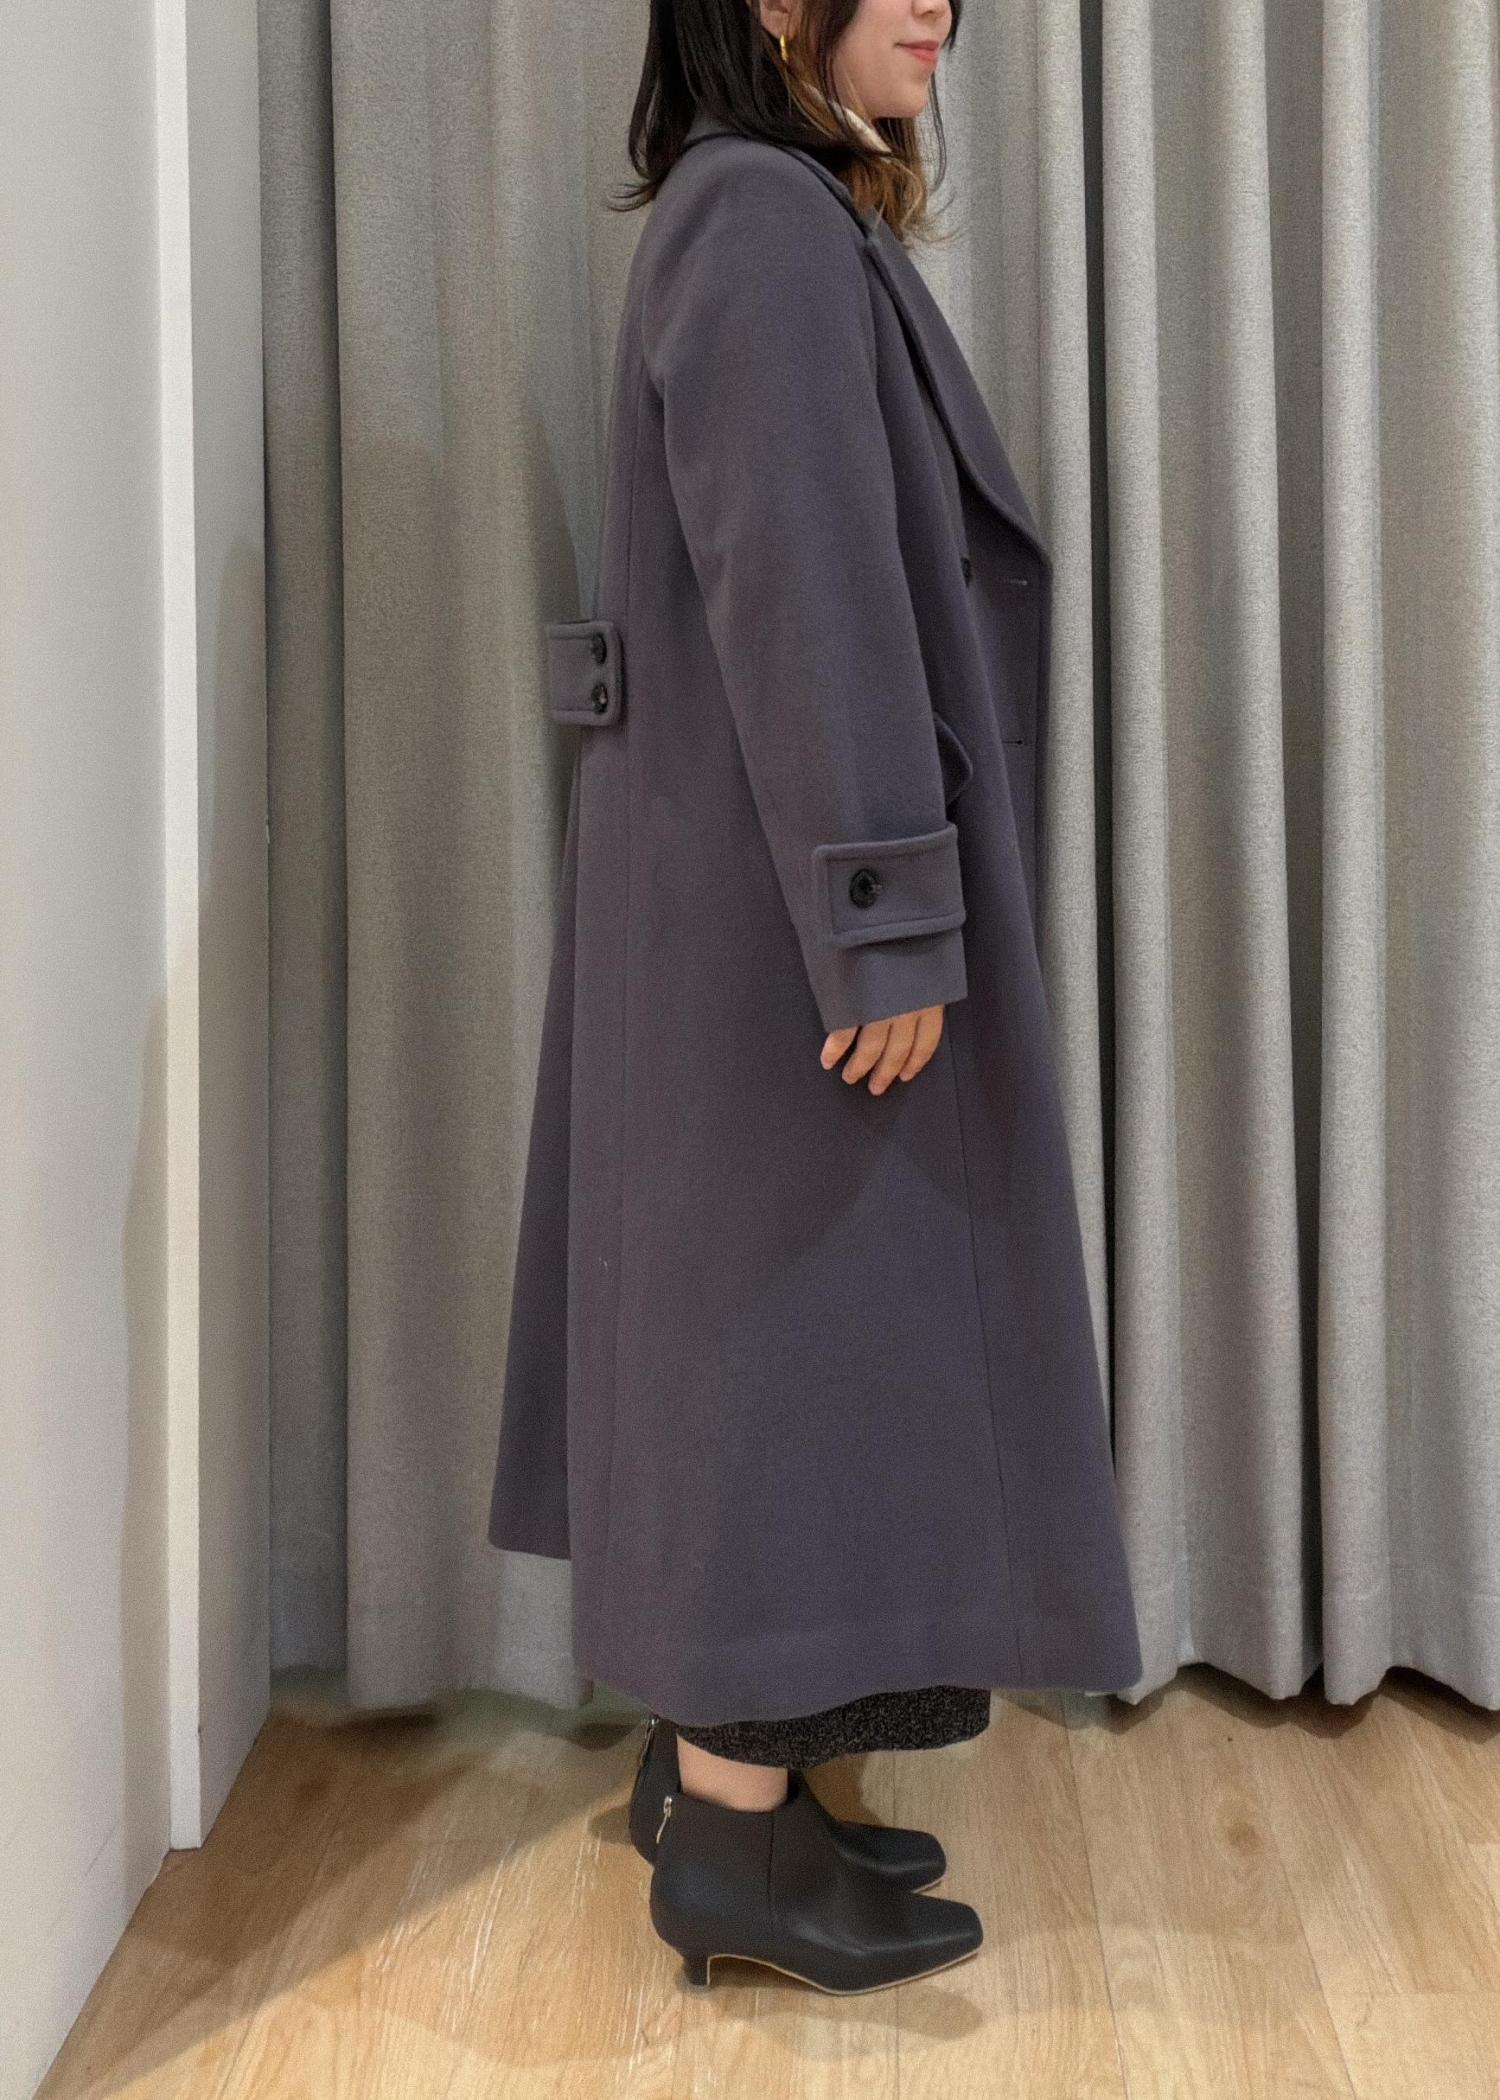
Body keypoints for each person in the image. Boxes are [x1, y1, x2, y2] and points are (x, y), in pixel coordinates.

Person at [488, 0, 1144, 1995]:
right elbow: (805, 591)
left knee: (770, 1350)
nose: (941, 4)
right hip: (787, 923)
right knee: (779, 1359)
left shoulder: (767, 210)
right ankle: (731, 1852)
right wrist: (882, 917)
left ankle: (732, 1806)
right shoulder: (761, 223)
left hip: (743, 897)